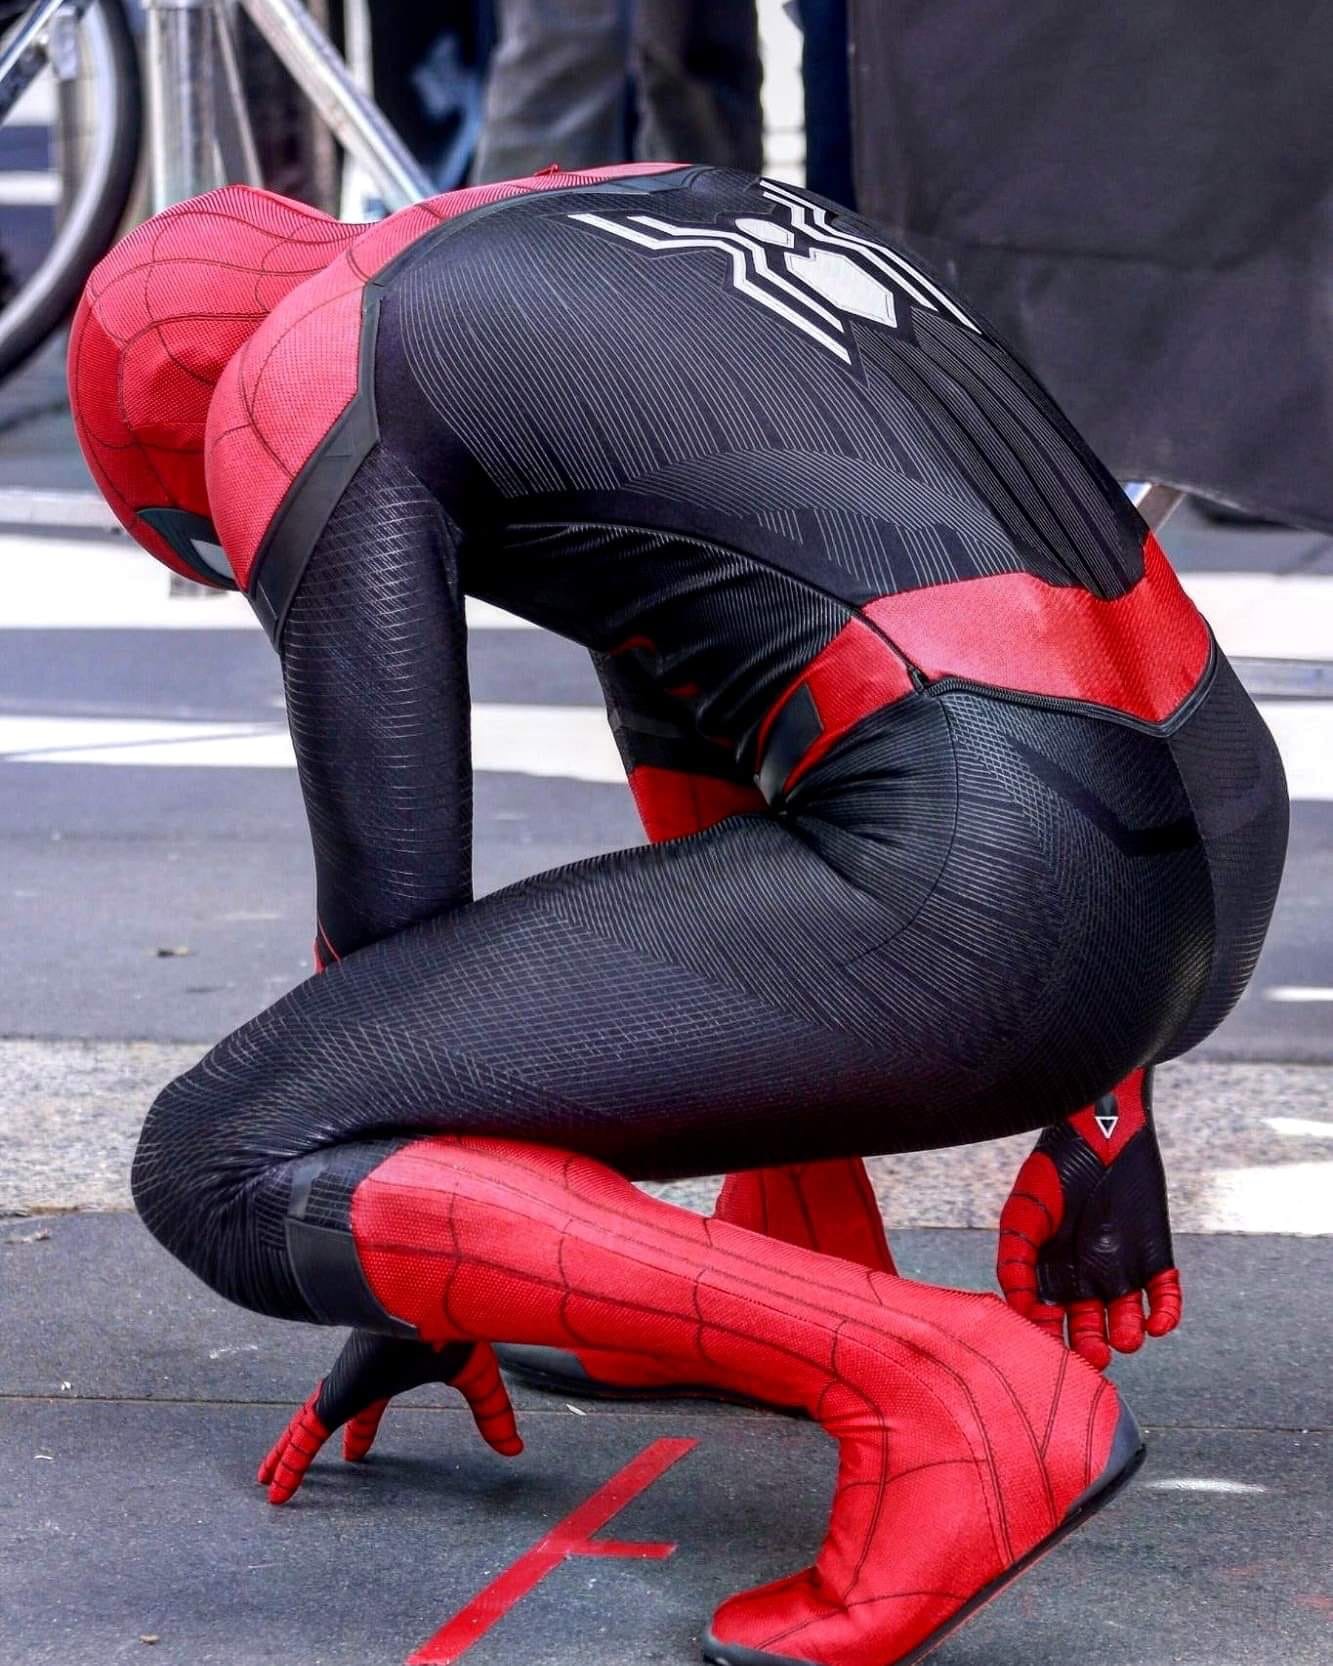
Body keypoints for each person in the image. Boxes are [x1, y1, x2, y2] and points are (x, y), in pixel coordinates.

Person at [68, 165, 1287, 1666]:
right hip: (1209, 850)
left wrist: (402, 1254)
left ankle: (948, 1388)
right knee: (732, 712)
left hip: (1002, 890)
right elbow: (998, 565)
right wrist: (1107, 1099)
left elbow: (392, 931)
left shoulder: (297, 375)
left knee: (228, 1156)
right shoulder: (636, 223)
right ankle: (803, 1237)